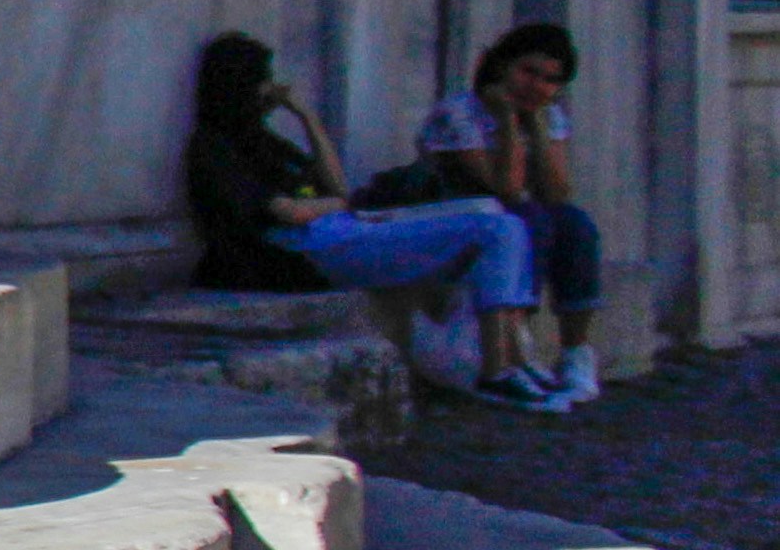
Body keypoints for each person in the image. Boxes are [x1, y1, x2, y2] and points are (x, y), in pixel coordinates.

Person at [182, 32, 572, 409]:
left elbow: (335, 184)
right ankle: (496, 368)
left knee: (500, 219)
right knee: (496, 228)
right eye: (263, 82)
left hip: (346, 228)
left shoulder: (264, 142)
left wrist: (306, 118)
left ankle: (515, 360)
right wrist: (342, 204)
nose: (271, 91)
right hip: (311, 249)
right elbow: (290, 212)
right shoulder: (215, 148)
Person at [415, 22, 599, 406]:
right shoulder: (459, 113)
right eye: (528, 71)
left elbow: (558, 192)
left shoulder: (548, 116)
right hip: (458, 212)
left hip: (512, 212)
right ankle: (516, 350)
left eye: (551, 80)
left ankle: (576, 354)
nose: (537, 86)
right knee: (528, 220)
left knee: (575, 225)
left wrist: (537, 127)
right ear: (503, 66)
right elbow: (506, 189)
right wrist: (511, 123)